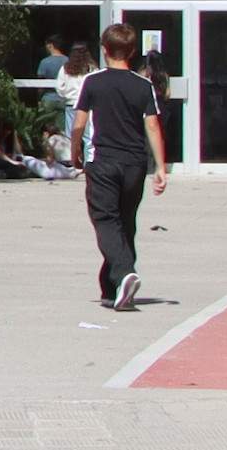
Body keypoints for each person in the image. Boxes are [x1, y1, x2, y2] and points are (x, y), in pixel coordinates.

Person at [73, 21, 170, 310]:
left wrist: (75, 151)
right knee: (124, 223)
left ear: (104, 51)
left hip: (103, 162)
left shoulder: (93, 82)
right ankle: (112, 286)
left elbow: (78, 123)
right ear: (132, 52)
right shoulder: (143, 86)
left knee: (105, 220)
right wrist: (161, 167)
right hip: (134, 165)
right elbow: (152, 126)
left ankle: (125, 272)